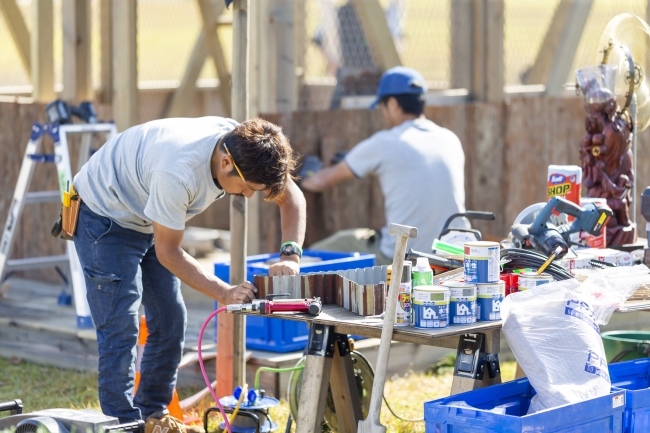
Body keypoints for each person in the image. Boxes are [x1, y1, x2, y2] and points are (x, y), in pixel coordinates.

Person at [72, 117, 306, 432]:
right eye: (248, 188)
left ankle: (153, 416)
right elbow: (168, 253)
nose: (248, 196)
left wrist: (290, 256)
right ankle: (124, 426)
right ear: (225, 162)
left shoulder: (246, 145)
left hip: (146, 210)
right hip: (104, 215)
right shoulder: (178, 173)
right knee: (120, 326)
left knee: (171, 319)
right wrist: (224, 292)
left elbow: (292, 198)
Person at [301, 67, 466, 264]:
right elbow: (416, 178)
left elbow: (318, 181)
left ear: (393, 104)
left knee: (313, 256)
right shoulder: (450, 139)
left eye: (382, 105)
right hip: (452, 253)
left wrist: (305, 174)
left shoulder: (383, 143)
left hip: (403, 257)